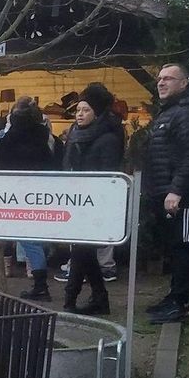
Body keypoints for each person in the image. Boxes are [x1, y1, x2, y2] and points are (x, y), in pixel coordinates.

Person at [142, 62, 189, 324]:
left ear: (184, 83)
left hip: (183, 197)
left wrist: (177, 190)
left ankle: (180, 303)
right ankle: (174, 297)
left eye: (169, 78)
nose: (161, 82)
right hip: (166, 193)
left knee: (183, 246)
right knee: (175, 246)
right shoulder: (168, 113)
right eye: (159, 78)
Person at [60, 84, 124, 315]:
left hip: (94, 202)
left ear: (96, 112)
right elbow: (65, 165)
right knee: (83, 251)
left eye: (85, 110)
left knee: (81, 250)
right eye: (78, 110)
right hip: (74, 200)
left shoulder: (108, 138)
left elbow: (108, 174)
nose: (79, 114)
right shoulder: (74, 135)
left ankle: (70, 300)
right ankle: (99, 297)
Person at [0, 97, 56, 301]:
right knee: (33, 240)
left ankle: (41, 286)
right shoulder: (45, 137)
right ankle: (39, 282)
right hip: (40, 192)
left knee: (26, 239)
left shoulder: (8, 139)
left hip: (14, 193)